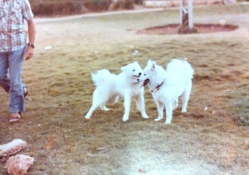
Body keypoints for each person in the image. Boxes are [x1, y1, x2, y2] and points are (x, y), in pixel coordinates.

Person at [0, 0, 36, 123]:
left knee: (15, 79)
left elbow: (31, 22)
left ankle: (15, 110)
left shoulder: (21, 2)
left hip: (17, 46)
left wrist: (31, 45)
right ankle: (21, 89)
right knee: (0, 76)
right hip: (0, 47)